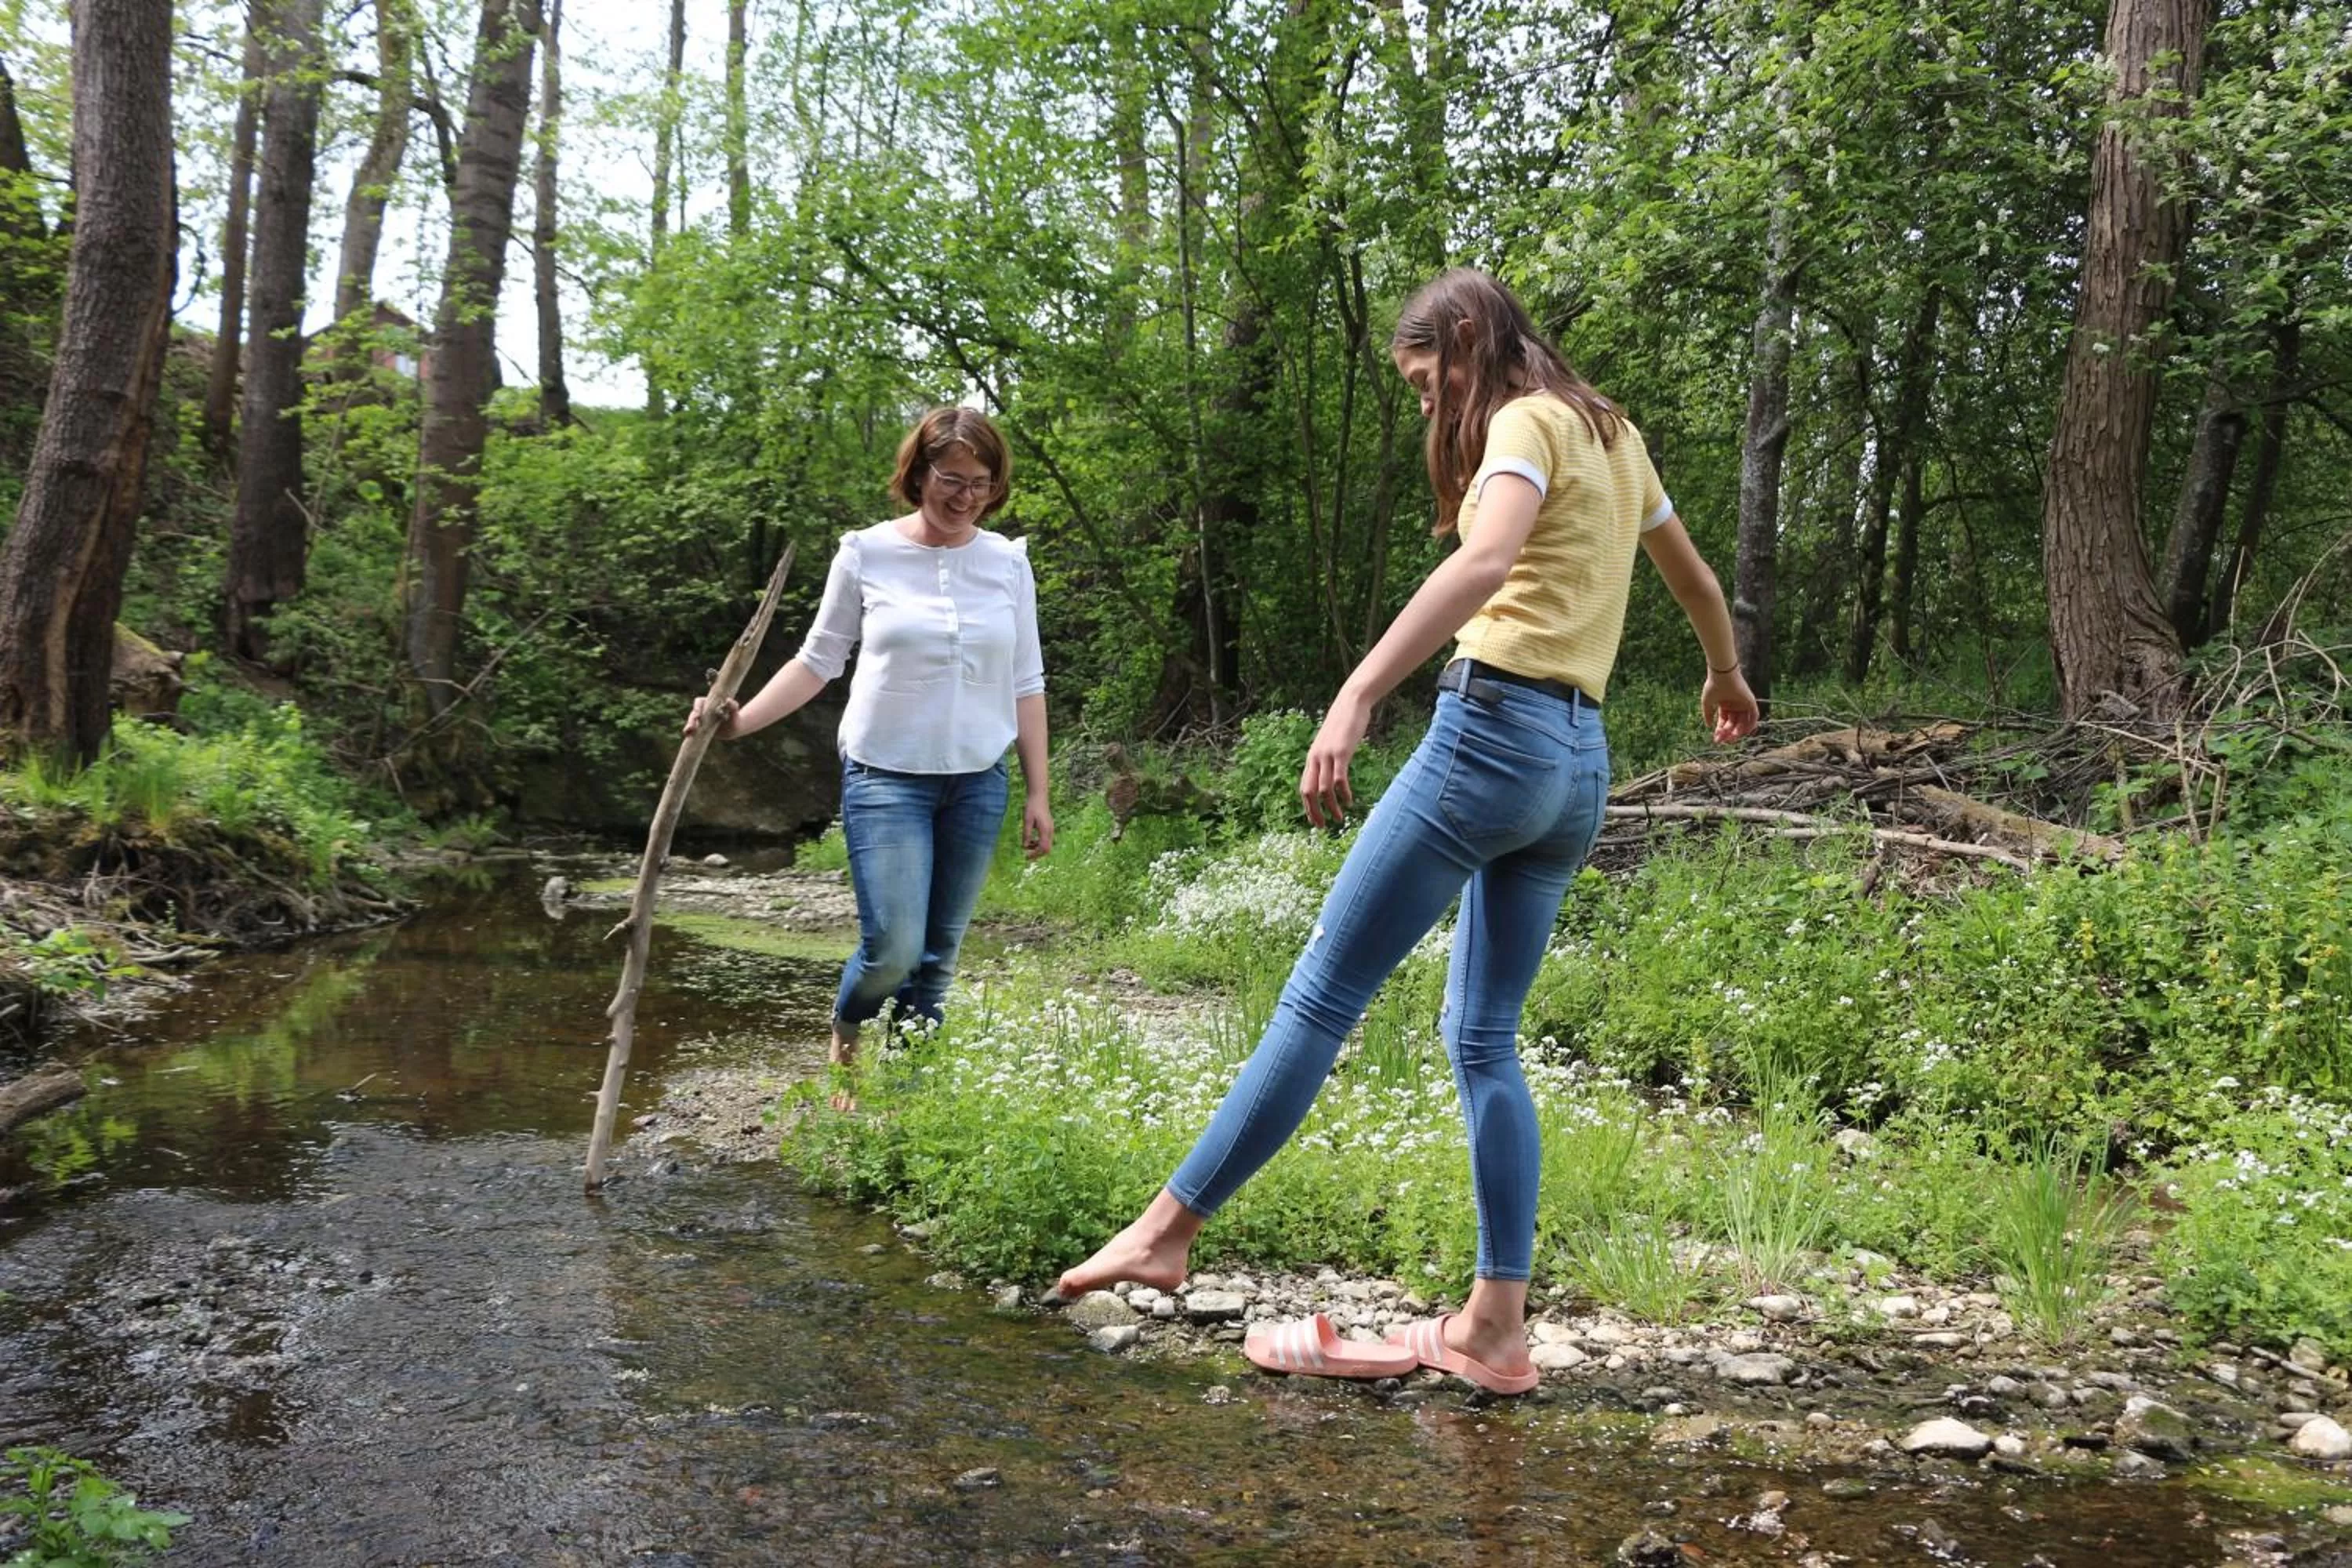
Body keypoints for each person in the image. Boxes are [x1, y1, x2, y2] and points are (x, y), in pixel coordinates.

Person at [1054, 268, 1759, 1392]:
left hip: (1492, 738)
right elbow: (1696, 577)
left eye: (1427, 378)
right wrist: (1725, 675)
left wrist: (1356, 693)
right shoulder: (1613, 431)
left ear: (1467, 338)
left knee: (1320, 996)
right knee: (1483, 1037)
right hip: (1578, 767)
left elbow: (1483, 562)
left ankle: (1167, 1230)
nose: (1427, 405)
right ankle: (1494, 1327)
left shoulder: (1526, 422)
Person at [687, 408, 1052, 1106]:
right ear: (917, 474)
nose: (967, 496)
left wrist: (1039, 794)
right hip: (886, 778)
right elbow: (817, 661)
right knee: (893, 949)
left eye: (982, 482)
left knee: (937, 962)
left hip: (978, 781)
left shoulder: (1008, 563)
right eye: (951, 478)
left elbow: (1026, 683)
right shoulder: (866, 553)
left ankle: (909, 1101)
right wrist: (737, 723)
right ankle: (848, 1033)